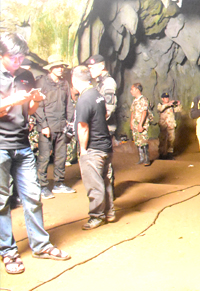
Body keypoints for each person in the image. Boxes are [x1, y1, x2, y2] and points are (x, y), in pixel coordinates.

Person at [1, 32, 71, 275]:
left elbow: (29, 111)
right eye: (14, 58)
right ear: (2, 55)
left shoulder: (26, 75)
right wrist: (11, 100)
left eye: (21, 57)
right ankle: (8, 253)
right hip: (0, 146)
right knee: (2, 203)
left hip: (21, 144)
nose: (18, 62)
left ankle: (40, 245)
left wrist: (34, 100)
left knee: (32, 195)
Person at [72, 65, 115, 230]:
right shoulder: (97, 94)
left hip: (93, 147)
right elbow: (104, 114)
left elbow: (83, 126)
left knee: (94, 184)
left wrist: (83, 150)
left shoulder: (84, 99)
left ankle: (97, 216)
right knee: (106, 181)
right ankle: (110, 213)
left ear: (74, 81)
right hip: (105, 145)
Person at [35, 55, 75, 199]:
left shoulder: (64, 83)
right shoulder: (42, 82)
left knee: (61, 156)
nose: (60, 69)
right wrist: (43, 125)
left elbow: (69, 103)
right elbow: (37, 106)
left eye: (61, 67)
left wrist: (70, 122)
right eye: (57, 67)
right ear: (50, 68)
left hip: (61, 125)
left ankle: (59, 183)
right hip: (47, 126)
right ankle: (42, 186)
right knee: (44, 157)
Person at [85, 54, 117, 188]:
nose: (90, 70)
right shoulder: (100, 83)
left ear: (101, 66)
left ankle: (108, 193)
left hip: (105, 129)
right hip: (100, 128)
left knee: (105, 163)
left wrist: (95, 123)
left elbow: (108, 109)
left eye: (92, 68)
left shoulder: (108, 83)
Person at [129, 83, 151, 165]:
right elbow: (132, 112)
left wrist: (140, 124)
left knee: (144, 141)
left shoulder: (143, 100)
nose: (131, 91)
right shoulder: (134, 101)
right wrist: (131, 122)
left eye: (132, 89)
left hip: (141, 124)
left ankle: (147, 159)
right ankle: (141, 158)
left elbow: (144, 112)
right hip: (135, 123)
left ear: (137, 89)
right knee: (137, 141)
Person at [157, 92, 180, 160]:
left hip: (171, 125)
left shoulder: (171, 106)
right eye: (165, 98)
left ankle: (170, 153)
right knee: (162, 139)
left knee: (171, 139)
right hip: (163, 125)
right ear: (162, 99)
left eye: (167, 97)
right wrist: (168, 104)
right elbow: (160, 109)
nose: (167, 99)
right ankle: (161, 154)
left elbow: (179, 110)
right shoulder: (160, 105)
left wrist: (178, 104)